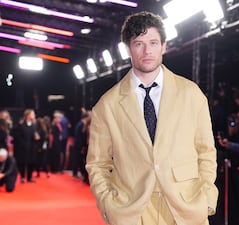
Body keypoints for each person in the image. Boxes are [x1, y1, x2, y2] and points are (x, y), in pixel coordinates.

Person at [86, 11, 218, 225]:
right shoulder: (107, 105)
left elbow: (206, 152)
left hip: (186, 209)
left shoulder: (191, 94)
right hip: (132, 210)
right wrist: (108, 204)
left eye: (154, 42)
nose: (147, 51)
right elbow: (97, 164)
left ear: (164, 46)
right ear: (128, 49)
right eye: (139, 43)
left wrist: (207, 199)